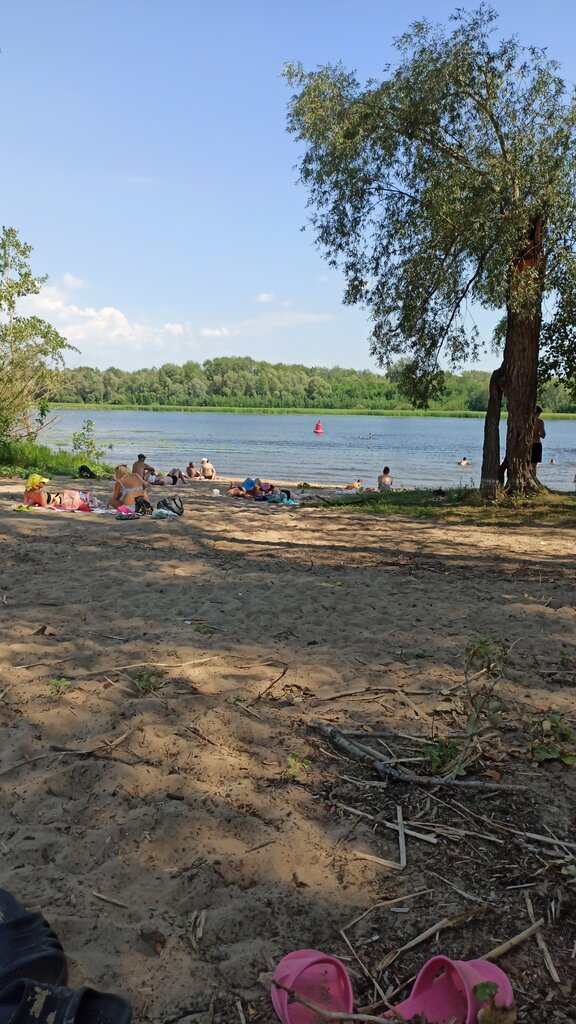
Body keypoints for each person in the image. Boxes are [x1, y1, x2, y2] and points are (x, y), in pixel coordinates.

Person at [23, 474, 93, 511]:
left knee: (74, 495)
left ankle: (87, 498)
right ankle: (87, 499)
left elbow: (25, 503)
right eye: (43, 482)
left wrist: (34, 503)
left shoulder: (27, 491)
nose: (44, 483)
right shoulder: (40, 493)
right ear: (37, 483)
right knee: (76, 497)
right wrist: (53, 503)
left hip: (54, 497)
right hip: (58, 500)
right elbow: (45, 506)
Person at [531, 406, 546, 472]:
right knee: (534, 465)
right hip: (536, 444)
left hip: (527, 444)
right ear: (537, 413)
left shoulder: (526, 421)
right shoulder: (540, 422)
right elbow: (543, 435)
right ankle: (533, 477)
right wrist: (539, 434)